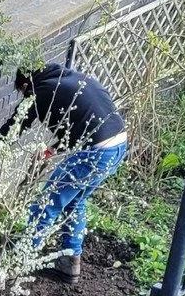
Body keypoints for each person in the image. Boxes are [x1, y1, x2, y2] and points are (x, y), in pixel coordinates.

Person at [14, 63, 128, 283]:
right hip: (119, 145)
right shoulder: (73, 79)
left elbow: (19, 121)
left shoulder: (44, 89)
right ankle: (70, 262)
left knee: (47, 202)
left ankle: (18, 260)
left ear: (27, 83)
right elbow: (78, 125)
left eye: (22, 91)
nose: (25, 96)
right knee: (75, 202)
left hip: (97, 151)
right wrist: (53, 149)